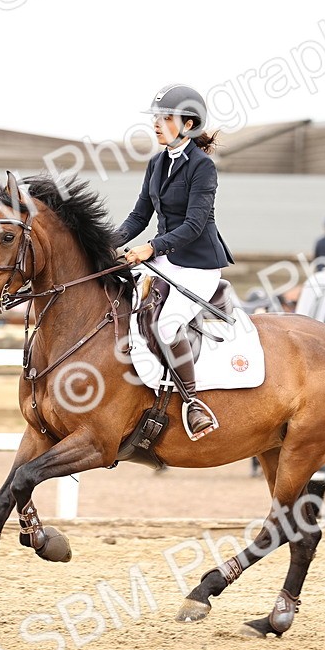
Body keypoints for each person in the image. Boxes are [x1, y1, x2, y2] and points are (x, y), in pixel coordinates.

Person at [116, 83, 234, 441]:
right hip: (166, 260)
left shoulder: (203, 168)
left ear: (188, 124)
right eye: (156, 117)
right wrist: (105, 245)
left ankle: (193, 401)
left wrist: (150, 249)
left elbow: (194, 225)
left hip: (198, 265)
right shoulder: (156, 163)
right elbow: (139, 216)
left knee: (167, 325)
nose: (156, 124)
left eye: (165, 118)